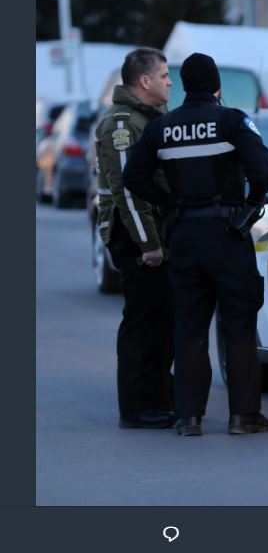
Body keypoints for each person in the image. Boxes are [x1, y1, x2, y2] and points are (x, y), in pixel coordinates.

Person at [122, 53, 268, 436]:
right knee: (238, 327)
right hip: (228, 234)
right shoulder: (232, 120)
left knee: (189, 328)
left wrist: (168, 202)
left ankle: (189, 417)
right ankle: (244, 417)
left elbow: (132, 176)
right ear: (217, 86)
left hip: (185, 236)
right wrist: (252, 202)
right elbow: (262, 170)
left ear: (185, 86)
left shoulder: (163, 127)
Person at [94, 47, 176, 429]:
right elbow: (129, 190)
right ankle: (138, 406)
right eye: (163, 76)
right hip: (134, 235)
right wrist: (150, 245)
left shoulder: (148, 119)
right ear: (144, 82)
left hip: (151, 232)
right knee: (143, 320)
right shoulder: (124, 124)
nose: (169, 82)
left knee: (161, 317)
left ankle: (159, 396)